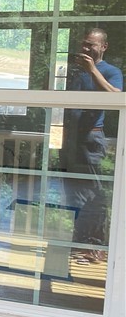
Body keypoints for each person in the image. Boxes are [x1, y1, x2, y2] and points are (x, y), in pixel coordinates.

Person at [62, 28, 123, 262]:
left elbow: (116, 97)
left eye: (91, 45)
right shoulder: (76, 72)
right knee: (73, 195)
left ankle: (95, 248)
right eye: (84, 44)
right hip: (71, 139)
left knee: (92, 195)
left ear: (103, 47)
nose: (86, 48)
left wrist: (92, 70)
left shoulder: (110, 71)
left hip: (91, 139)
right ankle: (79, 244)